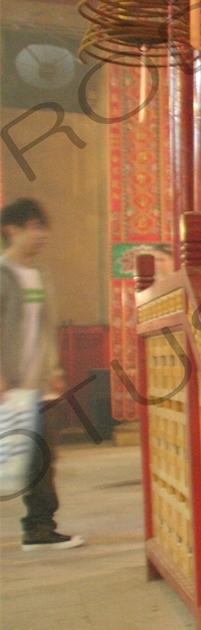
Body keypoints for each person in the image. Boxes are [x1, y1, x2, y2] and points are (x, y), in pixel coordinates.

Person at [1, 198, 84, 551]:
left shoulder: (41, 275)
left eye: (42, 227)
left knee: (42, 456)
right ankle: (37, 527)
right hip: (10, 386)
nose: (41, 235)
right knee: (15, 458)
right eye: (33, 227)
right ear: (12, 230)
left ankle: (38, 528)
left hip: (40, 387)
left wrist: (55, 370)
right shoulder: (2, 274)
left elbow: (46, 329)